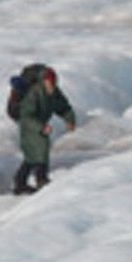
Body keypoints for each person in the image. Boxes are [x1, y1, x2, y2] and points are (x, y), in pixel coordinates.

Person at [14, 66, 76, 194]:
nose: (51, 86)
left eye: (53, 83)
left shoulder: (55, 92)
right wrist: (40, 126)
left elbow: (63, 107)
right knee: (39, 150)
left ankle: (20, 183)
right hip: (30, 126)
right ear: (44, 82)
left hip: (40, 125)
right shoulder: (34, 93)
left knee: (33, 155)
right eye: (49, 83)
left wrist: (70, 119)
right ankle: (41, 180)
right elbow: (26, 116)